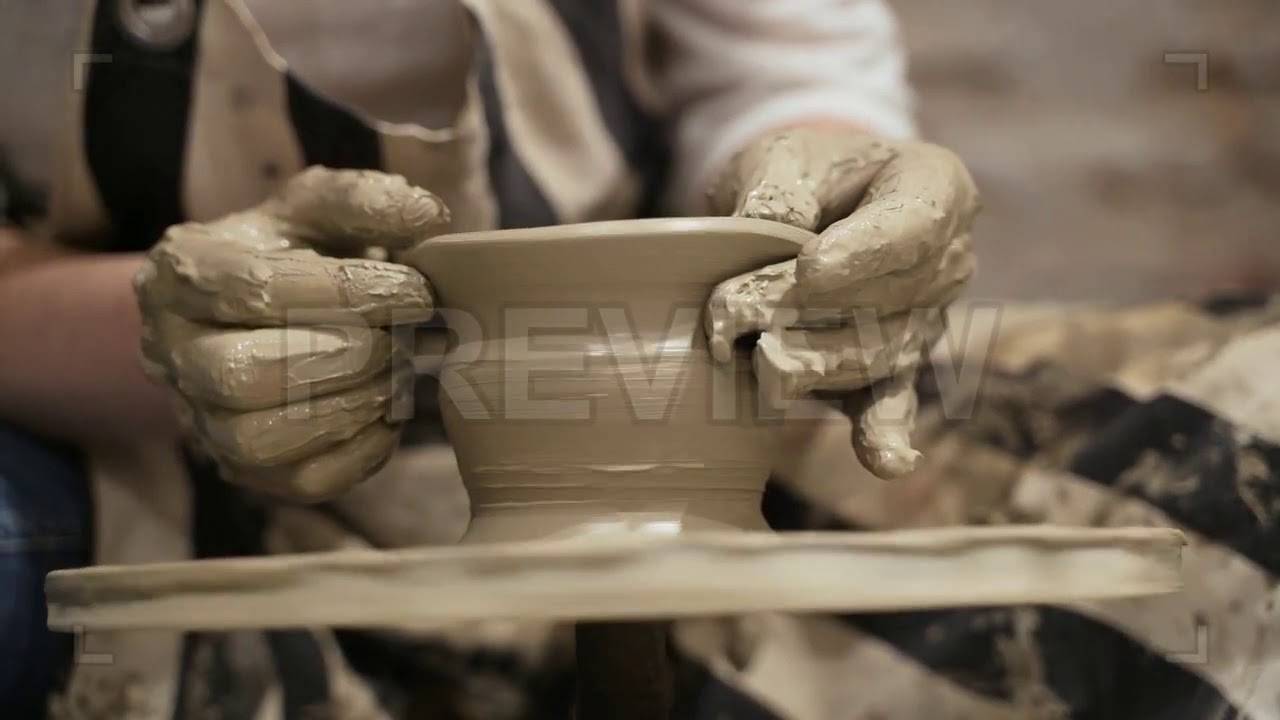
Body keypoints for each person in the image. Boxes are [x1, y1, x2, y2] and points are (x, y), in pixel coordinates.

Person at [5, 1, 1269, 719]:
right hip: (129, 410)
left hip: (722, 391)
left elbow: (778, 64)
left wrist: (825, 207)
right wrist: (153, 328)